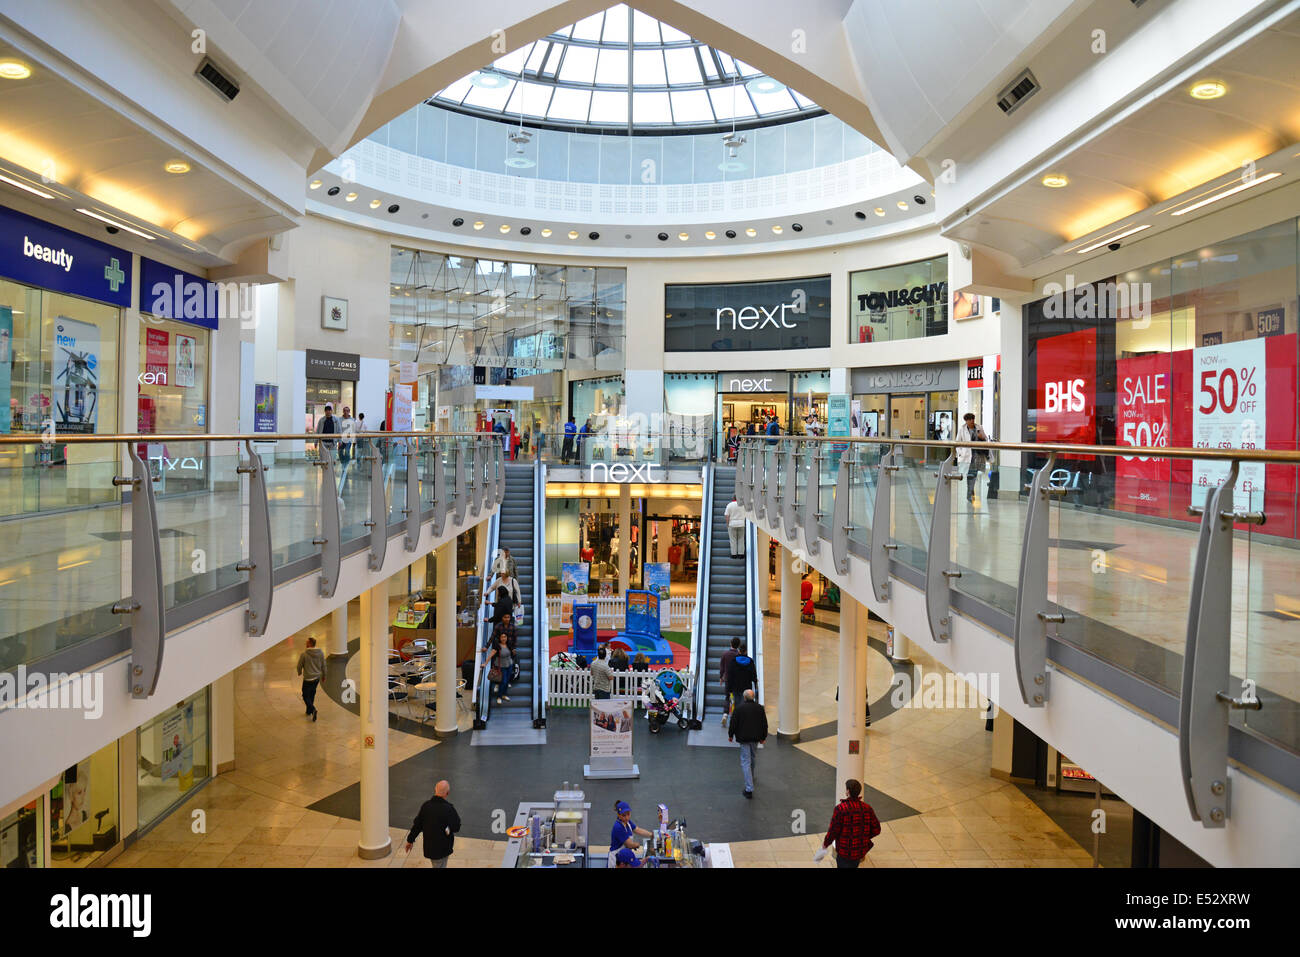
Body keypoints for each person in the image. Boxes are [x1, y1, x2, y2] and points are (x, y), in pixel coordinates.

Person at [814, 779, 881, 868]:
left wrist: (826, 843)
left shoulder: (840, 809)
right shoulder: (867, 808)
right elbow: (877, 829)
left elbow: (833, 830)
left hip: (844, 851)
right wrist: (863, 837)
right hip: (858, 851)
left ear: (848, 791)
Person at [405, 779, 461, 868]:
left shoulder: (426, 806)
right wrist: (449, 828)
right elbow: (457, 827)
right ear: (447, 793)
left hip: (430, 847)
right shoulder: (449, 809)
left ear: (435, 790)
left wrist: (410, 840)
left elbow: (417, 825)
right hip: (444, 848)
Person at [728, 688, 768, 799]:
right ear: (753, 697)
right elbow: (764, 723)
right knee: (752, 757)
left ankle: (749, 788)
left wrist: (731, 735)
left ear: (744, 697)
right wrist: (763, 737)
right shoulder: (759, 708)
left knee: (745, 761)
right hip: (755, 738)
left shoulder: (739, 709)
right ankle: (752, 776)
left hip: (744, 738)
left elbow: (733, 723)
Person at [956, 412, 989, 503]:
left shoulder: (979, 428)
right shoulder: (962, 429)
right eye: (970, 419)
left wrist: (982, 437)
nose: (972, 421)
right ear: (966, 421)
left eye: (973, 419)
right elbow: (957, 443)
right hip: (967, 456)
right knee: (970, 474)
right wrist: (960, 453)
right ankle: (970, 492)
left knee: (973, 474)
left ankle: (970, 490)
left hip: (977, 455)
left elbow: (986, 440)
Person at [295, 636, 325, 721]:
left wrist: (299, 672)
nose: (305, 644)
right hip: (316, 678)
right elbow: (324, 665)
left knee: (305, 695)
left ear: (310, 644)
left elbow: (299, 665)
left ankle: (312, 709)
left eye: (307, 642)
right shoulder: (321, 653)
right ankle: (308, 711)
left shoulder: (304, 654)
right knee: (312, 693)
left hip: (308, 679)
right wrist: (324, 675)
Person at [726, 643, 758, 713]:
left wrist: (729, 688)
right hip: (746, 687)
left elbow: (730, 675)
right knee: (745, 704)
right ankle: (743, 718)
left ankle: (737, 719)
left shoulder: (733, 661)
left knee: (736, 704)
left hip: (735, 687)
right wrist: (755, 685)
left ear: (739, 651)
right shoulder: (750, 661)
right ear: (746, 651)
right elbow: (754, 675)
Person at [484, 632, 514, 703]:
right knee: (503, 682)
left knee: (507, 681)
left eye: (505, 637)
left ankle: (504, 694)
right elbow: (490, 655)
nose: (504, 638)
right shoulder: (497, 646)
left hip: (509, 665)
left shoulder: (509, 645)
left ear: (507, 638)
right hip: (501, 667)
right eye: (502, 637)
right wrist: (485, 663)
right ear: (499, 638)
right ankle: (499, 696)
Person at [719, 636, 741, 726]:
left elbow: (722, 667)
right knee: (736, 697)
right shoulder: (739, 655)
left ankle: (725, 714)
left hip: (728, 679)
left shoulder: (725, 654)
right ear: (738, 645)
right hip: (737, 680)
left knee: (727, 697)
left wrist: (721, 677)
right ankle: (734, 716)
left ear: (731, 644)